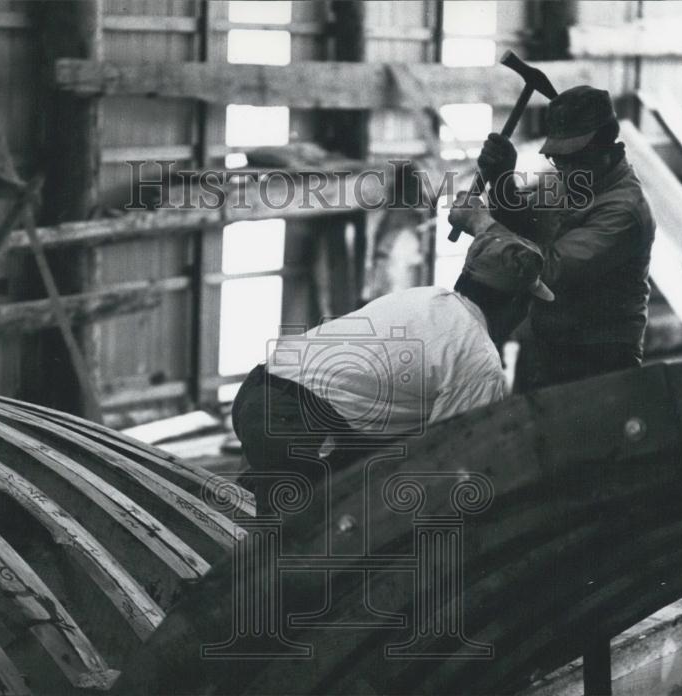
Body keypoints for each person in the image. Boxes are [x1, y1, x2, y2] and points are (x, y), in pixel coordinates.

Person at [231, 207, 552, 508]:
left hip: (256, 395)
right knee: (315, 542)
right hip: (293, 425)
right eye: (527, 304)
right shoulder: (479, 360)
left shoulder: (427, 297)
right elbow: (452, 456)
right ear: (514, 303)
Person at [476, 85, 656, 390]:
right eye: (559, 159)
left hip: (599, 360)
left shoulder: (624, 210)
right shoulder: (570, 180)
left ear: (606, 143)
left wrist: (478, 223)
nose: (565, 168)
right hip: (545, 346)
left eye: (574, 157)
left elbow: (547, 270)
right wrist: (503, 181)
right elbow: (529, 227)